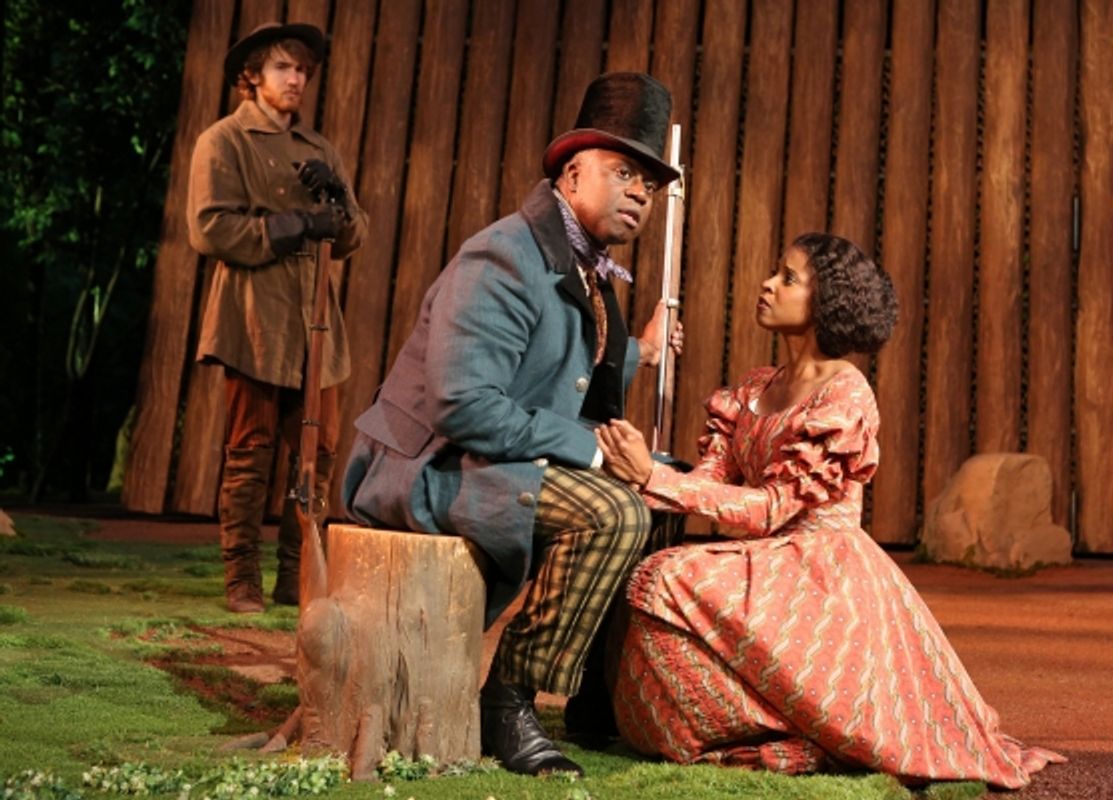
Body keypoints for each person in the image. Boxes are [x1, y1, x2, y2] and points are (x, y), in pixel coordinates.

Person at [597, 233, 1065, 789]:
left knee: (665, 577)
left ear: (827, 303)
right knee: (652, 580)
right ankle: (766, 727)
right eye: (776, 272)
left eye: (788, 278)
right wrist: (647, 469)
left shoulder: (845, 395)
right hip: (762, 563)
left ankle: (819, 727)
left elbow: (772, 509)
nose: (768, 284)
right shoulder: (751, 388)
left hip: (823, 572)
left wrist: (655, 479)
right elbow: (710, 482)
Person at [342, 72, 684, 777]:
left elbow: (562, 354)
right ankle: (509, 699)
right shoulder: (503, 255)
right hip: (429, 464)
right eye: (624, 172)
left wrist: (641, 352)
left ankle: (599, 694)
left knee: (662, 496)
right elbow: (463, 404)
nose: (639, 194)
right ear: (571, 171)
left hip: (485, 455)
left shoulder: (580, 265)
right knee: (612, 513)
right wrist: (590, 449)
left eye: (649, 183)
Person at [188, 22, 368, 614]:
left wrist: (338, 204)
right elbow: (209, 226)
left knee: (316, 454)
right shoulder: (225, 140)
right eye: (283, 68)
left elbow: (353, 236)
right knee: (251, 450)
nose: (295, 80)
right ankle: (242, 580)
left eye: (302, 71)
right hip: (254, 319)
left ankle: (297, 579)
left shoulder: (319, 150)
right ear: (254, 76)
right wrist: (290, 226)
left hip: (317, 324)